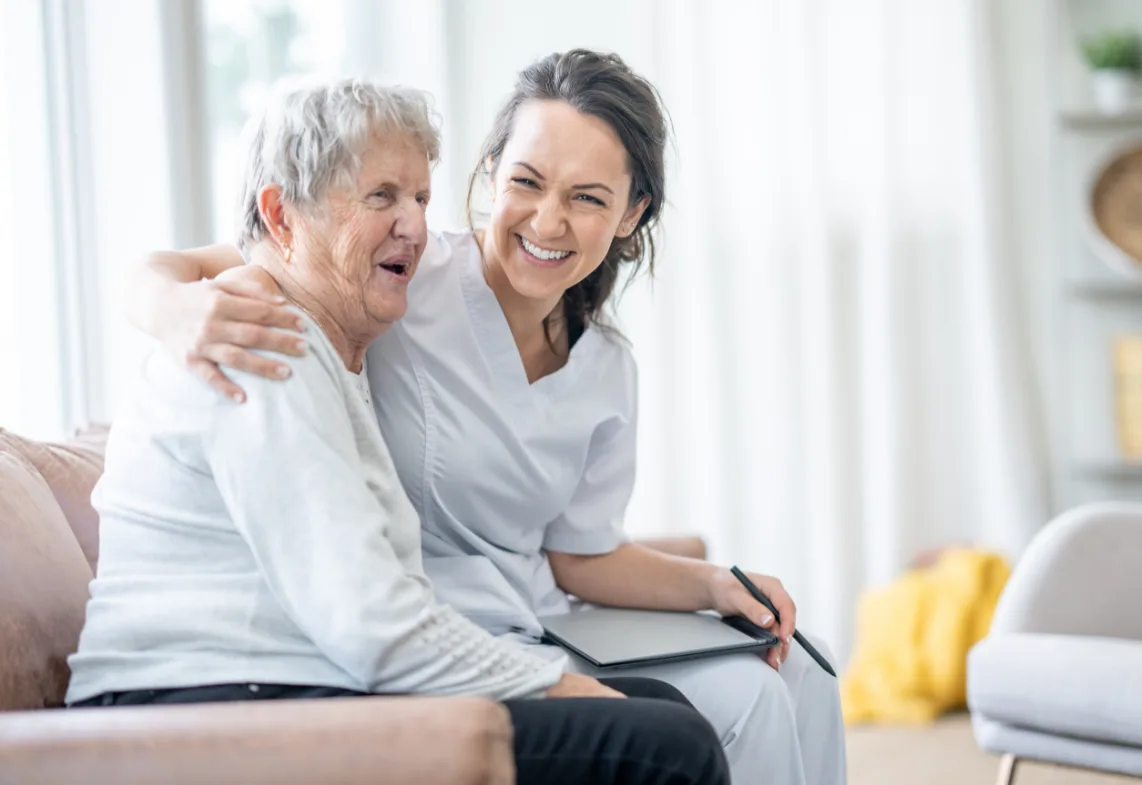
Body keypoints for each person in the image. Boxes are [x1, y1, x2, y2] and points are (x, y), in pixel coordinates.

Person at [128, 51, 847, 785]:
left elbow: (579, 552)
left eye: (589, 198)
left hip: (539, 622)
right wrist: (165, 303)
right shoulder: (397, 279)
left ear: (631, 214)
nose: (548, 220)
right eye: (527, 182)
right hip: (430, 635)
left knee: (803, 674)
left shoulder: (603, 364)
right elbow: (259, 255)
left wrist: (714, 584)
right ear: (493, 174)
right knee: (737, 706)